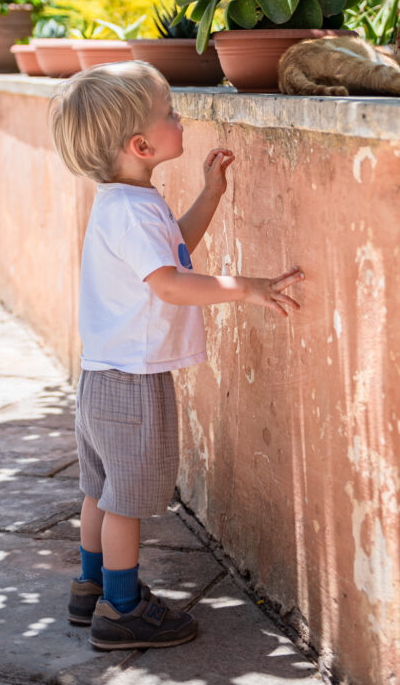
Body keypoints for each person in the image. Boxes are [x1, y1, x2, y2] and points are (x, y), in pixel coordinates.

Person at [49, 61, 303, 651]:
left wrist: (209, 194)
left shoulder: (125, 201)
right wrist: (247, 288)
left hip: (102, 377)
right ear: (140, 144)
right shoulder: (133, 210)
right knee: (126, 503)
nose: (179, 117)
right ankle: (122, 608)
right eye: (169, 114)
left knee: (101, 490)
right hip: (133, 382)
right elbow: (168, 283)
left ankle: (90, 589)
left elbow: (172, 253)